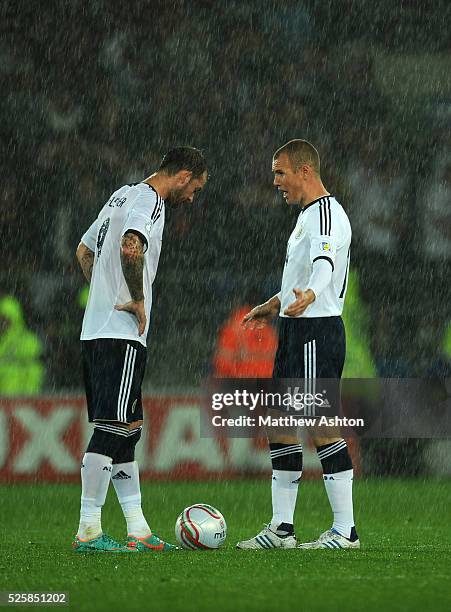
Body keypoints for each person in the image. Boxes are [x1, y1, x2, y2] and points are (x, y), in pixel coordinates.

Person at [73, 146, 208, 553]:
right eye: (195, 188)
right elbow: (132, 246)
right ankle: (88, 529)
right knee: (113, 428)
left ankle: (139, 529)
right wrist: (134, 297)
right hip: (122, 333)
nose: (192, 197)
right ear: (183, 176)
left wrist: (101, 292)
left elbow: (83, 251)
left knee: (128, 429)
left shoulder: (122, 193)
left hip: (95, 330)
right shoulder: (150, 200)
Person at [236, 139, 359, 550]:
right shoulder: (307, 215)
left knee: (320, 423)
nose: (276, 182)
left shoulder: (325, 215)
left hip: (315, 330)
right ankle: (282, 529)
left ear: (305, 171)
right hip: (296, 328)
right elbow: (306, 271)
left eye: (280, 173)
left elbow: (323, 264)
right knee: (280, 423)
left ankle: (345, 530)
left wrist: (309, 296)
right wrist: (277, 302)